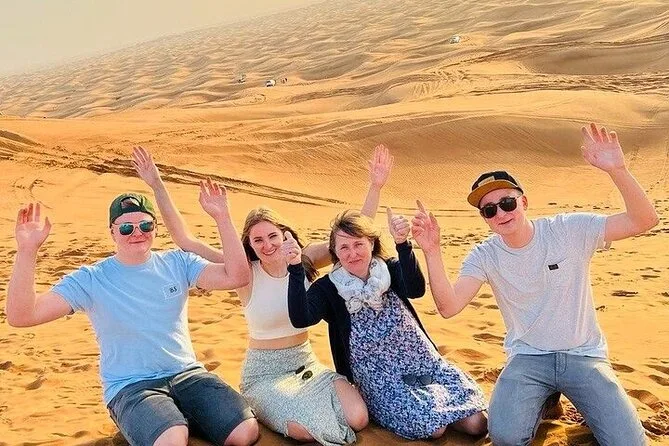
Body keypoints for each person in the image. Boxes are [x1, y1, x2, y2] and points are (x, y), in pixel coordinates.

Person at [411, 123, 658, 445]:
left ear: (524, 202)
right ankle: (544, 399)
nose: (501, 213)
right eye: (489, 210)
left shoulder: (568, 230)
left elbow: (644, 220)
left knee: (628, 442)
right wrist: (432, 251)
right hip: (528, 359)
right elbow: (449, 307)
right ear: (484, 218)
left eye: (507, 202)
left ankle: (575, 398)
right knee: (505, 437)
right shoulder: (485, 255)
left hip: (583, 355)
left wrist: (618, 170)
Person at [132, 145, 394, 445]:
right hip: (264, 374)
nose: (267, 245)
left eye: (273, 236)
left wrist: (375, 186)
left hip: (306, 363)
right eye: (258, 240)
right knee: (305, 431)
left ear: (285, 234)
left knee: (358, 418)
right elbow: (186, 240)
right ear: (250, 245)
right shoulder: (244, 272)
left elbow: (355, 235)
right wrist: (157, 184)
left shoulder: (304, 259)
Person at [6, 185, 259, 446]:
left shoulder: (178, 263)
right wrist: (27, 250)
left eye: (145, 226)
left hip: (187, 374)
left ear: (156, 229)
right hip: (132, 386)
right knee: (172, 440)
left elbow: (237, 277)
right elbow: (22, 315)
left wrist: (222, 218)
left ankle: (174, 419)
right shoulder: (91, 279)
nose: (137, 233)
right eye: (126, 228)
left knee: (245, 432)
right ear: (112, 232)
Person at [285, 209, 488, 440]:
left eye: (358, 244)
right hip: (381, 380)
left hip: (425, 365)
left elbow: (416, 289)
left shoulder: (388, 269)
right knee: (434, 428)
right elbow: (301, 319)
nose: (352, 253)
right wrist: (295, 268)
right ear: (335, 253)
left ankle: (445, 410)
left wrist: (402, 244)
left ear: (371, 243)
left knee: (478, 424)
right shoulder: (328, 288)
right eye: (344, 247)